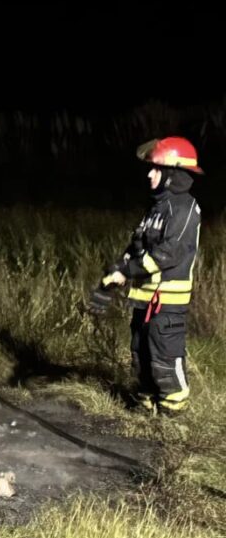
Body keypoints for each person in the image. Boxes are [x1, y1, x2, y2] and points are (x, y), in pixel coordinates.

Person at [96, 136, 202, 414]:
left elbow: (167, 254)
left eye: (156, 168)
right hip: (143, 302)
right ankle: (145, 406)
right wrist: (114, 273)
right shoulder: (155, 209)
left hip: (167, 305)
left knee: (164, 359)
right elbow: (136, 247)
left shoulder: (185, 208)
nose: (149, 174)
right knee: (141, 356)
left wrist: (127, 271)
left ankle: (172, 414)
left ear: (172, 173)